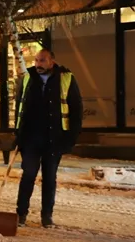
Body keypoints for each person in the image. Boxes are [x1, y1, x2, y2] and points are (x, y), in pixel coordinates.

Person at [14, 48, 83, 228]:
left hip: (54, 138)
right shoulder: (28, 78)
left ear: (52, 62)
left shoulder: (66, 78)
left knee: (49, 178)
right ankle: (21, 214)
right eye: (36, 60)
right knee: (28, 175)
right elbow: (19, 109)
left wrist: (70, 138)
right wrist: (18, 134)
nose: (38, 64)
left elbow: (76, 111)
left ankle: (47, 216)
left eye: (42, 60)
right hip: (30, 138)